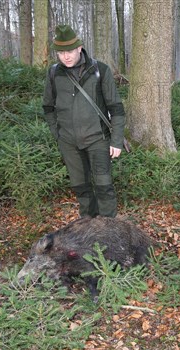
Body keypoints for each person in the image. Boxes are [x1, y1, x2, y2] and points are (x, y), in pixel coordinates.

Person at [43, 25, 125, 218]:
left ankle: (107, 230)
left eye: (70, 51)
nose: (66, 56)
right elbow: (48, 107)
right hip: (69, 142)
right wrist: (58, 134)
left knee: (104, 187)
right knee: (81, 188)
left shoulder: (99, 70)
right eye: (61, 52)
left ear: (79, 48)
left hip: (98, 140)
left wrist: (116, 140)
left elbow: (116, 107)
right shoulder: (54, 73)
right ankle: (87, 227)